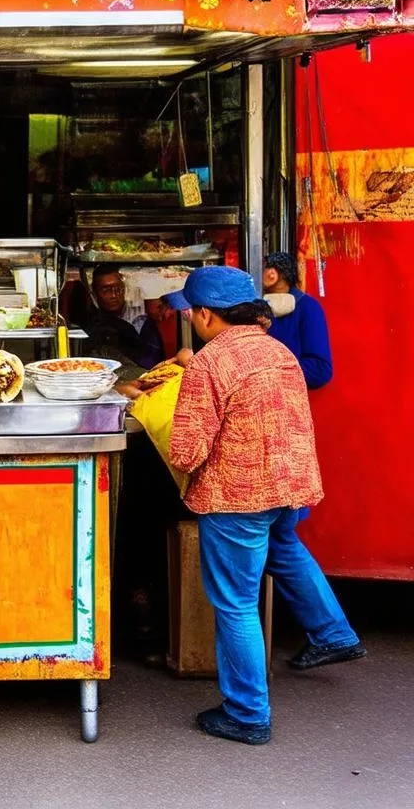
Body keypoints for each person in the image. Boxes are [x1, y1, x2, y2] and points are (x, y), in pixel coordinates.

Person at [164, 266, 364, 746]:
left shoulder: (210, 363)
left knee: (235, 603)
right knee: (284, 549)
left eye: (190, 310)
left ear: (207, 315)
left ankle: (248, 712)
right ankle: (333, 633)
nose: (188, 317)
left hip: (237, 497)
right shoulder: (280, 354)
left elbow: (186, 451)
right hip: (288, 486)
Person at [263, 252, 332, 390]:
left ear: (272, 274)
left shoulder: (307, 307)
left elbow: (320, 369)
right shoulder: (253, 306)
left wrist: (269, 372)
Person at [85, 264, 163, 369]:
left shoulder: (142, 316)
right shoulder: (92, 325)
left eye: (118, 289)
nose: (113, 295)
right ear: (94, 293)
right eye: (106, 290)